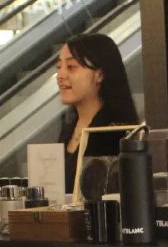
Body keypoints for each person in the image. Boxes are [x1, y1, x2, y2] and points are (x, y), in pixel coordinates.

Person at [56, 33, 139, 193]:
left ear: (99, 75)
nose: (61, 75)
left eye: (71, 67)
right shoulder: (67, 129)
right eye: (59, 67)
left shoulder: (115, 134)